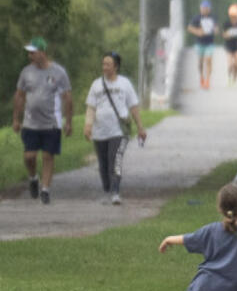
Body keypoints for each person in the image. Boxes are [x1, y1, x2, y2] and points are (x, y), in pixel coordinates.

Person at [12, 37, 72, 206]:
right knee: (29, 157)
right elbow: (19, 96)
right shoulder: (26, 72)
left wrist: (68, 121)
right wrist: (16, 119)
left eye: (33, 52)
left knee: (48, 156)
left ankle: (45, 189)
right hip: (30, 123)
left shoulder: (59, 72)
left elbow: (67, 97)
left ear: (43, 52)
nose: (30, 56)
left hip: (51, 123)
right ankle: (33, 178)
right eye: (29, 53)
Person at [83, 51, 147, 206]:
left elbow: (133, 106)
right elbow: (91, 107)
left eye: (108, 64)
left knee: (115, 160)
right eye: (103, 64)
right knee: (103, 163)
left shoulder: (124, 84)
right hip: (100, 132)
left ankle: (116, 191)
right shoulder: (96, 85)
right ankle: (107, 188)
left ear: (116, 67)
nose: (105, 67)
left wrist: (140, 127)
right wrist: (88, 125)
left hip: (118, 131)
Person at [188, 0, 218, 89]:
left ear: (209, 9)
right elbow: (189, 28)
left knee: (208, 60)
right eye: (203, 8)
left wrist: (216, 30)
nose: (204, 10)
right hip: (199, 43)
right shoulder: (197, 18)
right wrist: (197, 32)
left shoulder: (213, 18)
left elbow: (216, 28)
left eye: (206, 8)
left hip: (209, 43)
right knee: (200, 62)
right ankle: (201, 77)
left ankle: (207, 81)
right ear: (200, 8)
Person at [222, 3, 237, 84]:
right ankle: (229, 78)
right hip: (229, 45)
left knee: (236, 64)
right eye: (233, 17)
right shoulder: (227, 24)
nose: (234, 19)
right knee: (230, 64)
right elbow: (224, 35)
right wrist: (228, 34)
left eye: (236, 17)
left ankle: (235, 79)